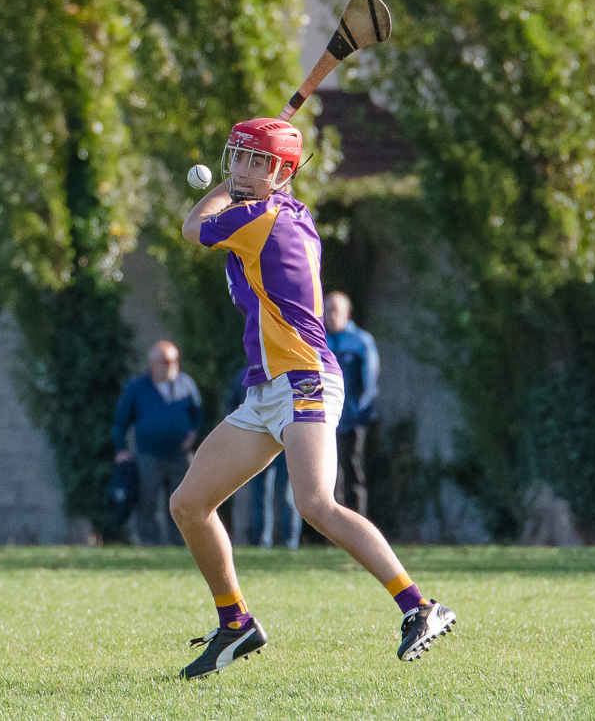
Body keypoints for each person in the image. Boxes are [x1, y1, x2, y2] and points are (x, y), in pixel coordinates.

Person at [172, 117, 455, 680]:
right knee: (188, 504)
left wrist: (228, 186)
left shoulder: (261, 215)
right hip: (265, 390)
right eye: (238, 158)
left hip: (304, 379)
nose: (242, 171)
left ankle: (421, 607)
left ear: (282, 172)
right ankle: (236, 625)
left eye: (257, 162)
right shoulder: (274, 209)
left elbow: (191, 227)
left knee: (315, 504)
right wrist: (247, 175)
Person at [111, 341, 202, 546]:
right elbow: (121, 421)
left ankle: (180, 543)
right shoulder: (137, 388)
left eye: (174, 361)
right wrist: (121, 450)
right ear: (153, 363)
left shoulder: (186, 384)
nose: (171, 366)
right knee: (148, 501)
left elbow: (197, 415)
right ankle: (149, 542)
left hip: (180, 455)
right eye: (165, 361)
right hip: (149, 455)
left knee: (181, 501)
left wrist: (192, 435)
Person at [229, 368, 302, 549]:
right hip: (258, 441)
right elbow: (235, 407)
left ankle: (287, 540)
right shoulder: (246, 374)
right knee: (260, 496)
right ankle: (260, 539)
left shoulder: (290, 371)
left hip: (285, 443)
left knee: (286, 495)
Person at [324, 291, 380, 516]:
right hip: (325, 421)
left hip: (353, 421)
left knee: (353, 472)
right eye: (327, 310)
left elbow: (371, 384)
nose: (331, 316)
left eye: (335, 310)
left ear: (348, 313)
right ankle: (333, 534)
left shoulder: (361, 341)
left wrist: (356, 412)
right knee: (329, 475)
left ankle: (358, 525)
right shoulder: (319, 340)